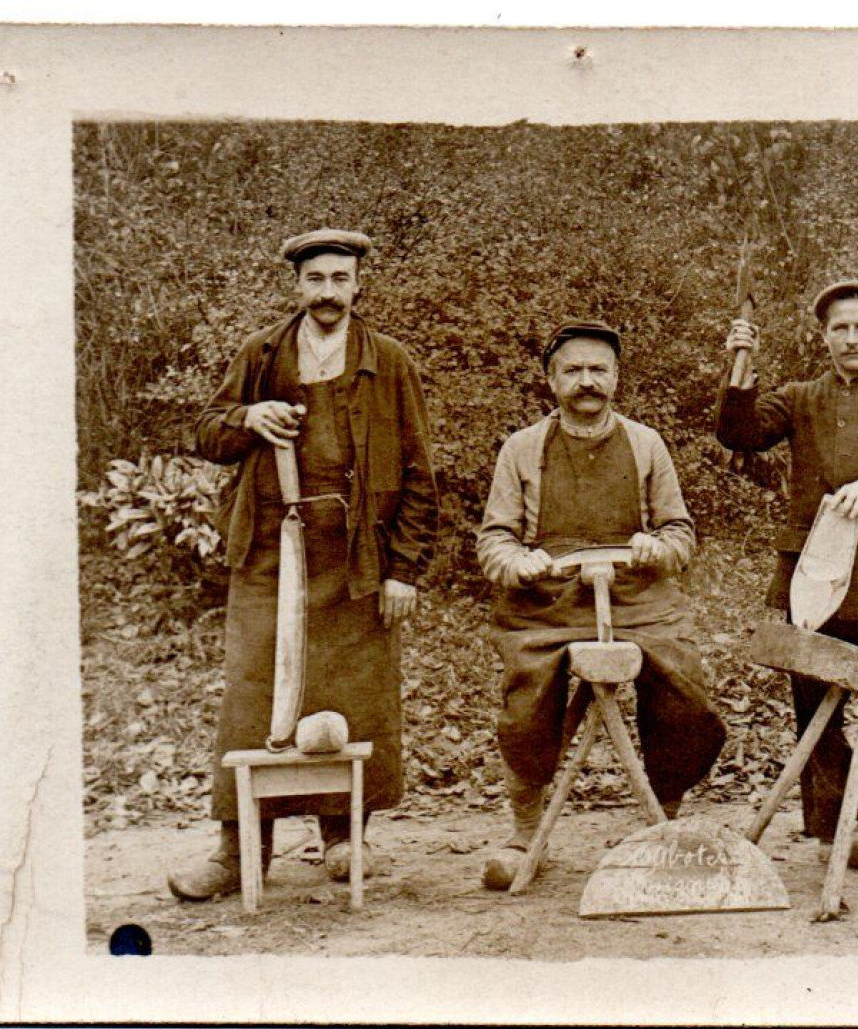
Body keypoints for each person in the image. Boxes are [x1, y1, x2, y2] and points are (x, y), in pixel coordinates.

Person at [168, 229, 441, 900]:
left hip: (356, 556)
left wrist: (403, 568)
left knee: (352, 696)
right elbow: (207, 432)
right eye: (315, 279)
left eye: (339, 279)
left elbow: (417, 470)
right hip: (268, 549)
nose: (327, 293)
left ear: (358, 284)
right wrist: (247, 417)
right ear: (298, 285)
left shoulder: (390, 361)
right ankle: (238, 853)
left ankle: (346, 838)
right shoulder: (260, 354)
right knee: (251, 695)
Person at [475, 321, 725, 889]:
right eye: (573, 370)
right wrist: (517, 563)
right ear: (550, 380)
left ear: (616, 378)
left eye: (598, 370)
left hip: (637, 597)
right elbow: (494, 539)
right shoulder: (522, 448)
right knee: (528, 695)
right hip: (549, 602)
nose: (586, 381)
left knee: (683, 686)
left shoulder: (645, 444)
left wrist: (655, 548)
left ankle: (665, 824)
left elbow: (680, 535)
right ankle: (525, 834)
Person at [717, 282, 858, 870]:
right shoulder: (798, 399)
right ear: (824, 337)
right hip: (812, 577)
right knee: (813, 696)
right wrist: (739, 373)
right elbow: (739, 434)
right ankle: (827, 820)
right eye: (840, 328)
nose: (851, 339)